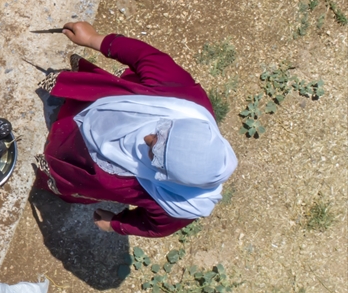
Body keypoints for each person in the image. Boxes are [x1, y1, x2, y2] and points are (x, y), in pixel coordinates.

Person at [34, 22, 237, 237]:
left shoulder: (176, 204)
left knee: (66, 156)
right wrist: (93, 39)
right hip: (100, 103)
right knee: (74, 113)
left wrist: (115, 224)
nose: (146, 138)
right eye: (161, 131)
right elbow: (145, 56)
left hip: (80, 160)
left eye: (154, 156)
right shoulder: (184, 100)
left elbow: (153, 227)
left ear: (166, 177)